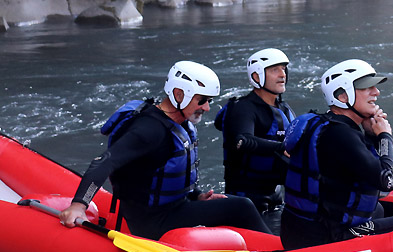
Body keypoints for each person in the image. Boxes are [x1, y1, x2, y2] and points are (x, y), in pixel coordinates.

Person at [58, 61, 270, 240]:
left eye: (209, 101)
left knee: (232, 203)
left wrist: (197, 197)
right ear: (179, 94)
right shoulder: (148, 129)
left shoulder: (180, 123)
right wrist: (79, 205)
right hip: (152, 221)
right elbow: (104, 162)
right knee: (241, 207)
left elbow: (157, 175)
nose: (206, 107)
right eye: (202, 100)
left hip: (173, 209)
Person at [280, 59, 393, 250]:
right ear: (343, 96)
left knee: (377, 209)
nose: (376, 92)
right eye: (367, 88)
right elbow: (387, 181)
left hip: (298, 232)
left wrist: (370, 135)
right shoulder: (342, 135)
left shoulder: (327, 126)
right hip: (326, 239)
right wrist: (384, 136)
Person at [214, 48, 296, 212]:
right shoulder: (243, 108)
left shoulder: (284, 109)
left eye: (283, 68)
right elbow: (242, 141)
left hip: (276, 194)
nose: (282, 74)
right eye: (275, 70)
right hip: (245, 197)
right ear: (257, 76)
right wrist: (281, 147)